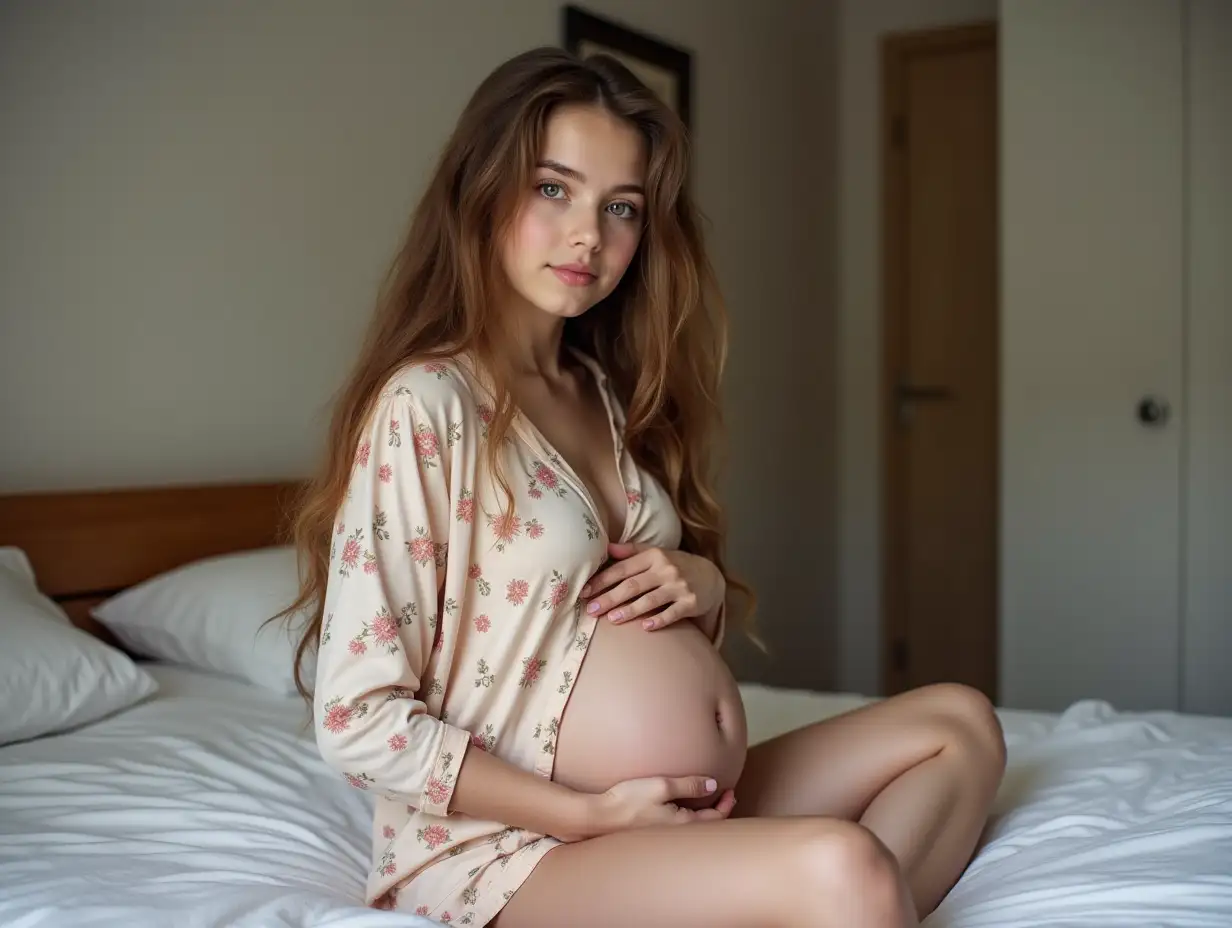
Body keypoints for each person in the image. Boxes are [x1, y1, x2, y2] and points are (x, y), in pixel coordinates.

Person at [278, 46, 1006, 928]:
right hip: (516, 850)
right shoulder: (427, 404)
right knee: (845, 867)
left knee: (959, 726)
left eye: (619, 207)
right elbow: (356, 717)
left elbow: (611, 617)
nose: (589, 234)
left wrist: (700, 588)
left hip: (676, 805)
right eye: (553, 188)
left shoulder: (603, 394)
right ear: (483, 190)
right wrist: (588, 813)